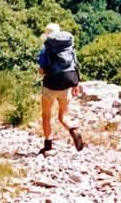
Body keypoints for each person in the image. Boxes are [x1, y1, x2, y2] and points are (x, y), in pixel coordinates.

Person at [38, 22, 84, 154]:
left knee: (46, 115)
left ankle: (48, 145)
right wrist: (76, 84)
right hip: (66, 86)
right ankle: (73, 129)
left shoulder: (46, 50)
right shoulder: (69, 48)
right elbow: (74, 66)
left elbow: (42, 71)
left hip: (50, 86)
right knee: (62, 116)